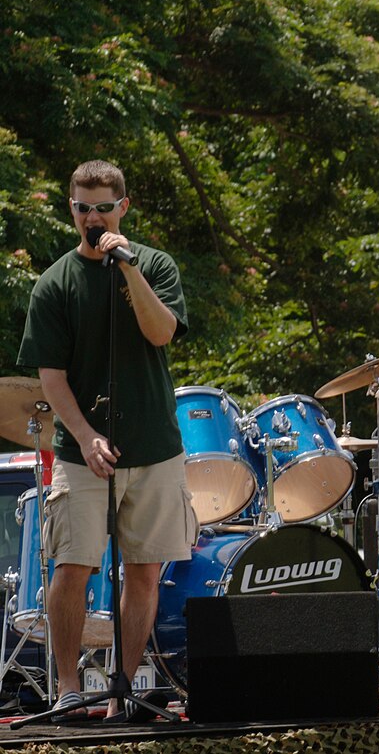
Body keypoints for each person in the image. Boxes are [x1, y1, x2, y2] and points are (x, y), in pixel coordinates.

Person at [17, 160, 197, 720]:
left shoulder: (154, 265)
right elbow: (51, 379)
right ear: (70, 209)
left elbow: (161, 331)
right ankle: (69, 687)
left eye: (102, 207)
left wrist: (128, 269)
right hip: (82, 452)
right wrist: (88, 436)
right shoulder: (54, 283)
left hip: (155, 446)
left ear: (123, 207)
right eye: (81, 207)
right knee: (73, 565)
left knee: (144, 570)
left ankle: (121, 685)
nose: (91, 218)